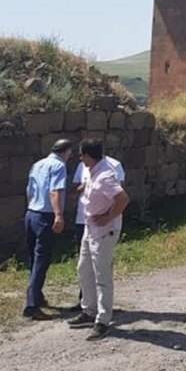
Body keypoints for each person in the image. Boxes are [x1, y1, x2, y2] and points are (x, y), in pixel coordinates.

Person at [68, 138, 129, 340]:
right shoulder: (93, 172)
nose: (79, 157)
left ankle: (103, 320)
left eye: (81, 154)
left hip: (104, 231)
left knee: (102, 276)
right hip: (90, 228)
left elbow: (122, 199)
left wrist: (107, 217)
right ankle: (89, 310)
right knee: (83, 268)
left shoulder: (105, 175)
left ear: (88, 155)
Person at [23, 137, 74, 320]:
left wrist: (31, 208)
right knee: (42, 259)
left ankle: (37, 295)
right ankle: (31, 305)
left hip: (31, 213)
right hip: (45, 215)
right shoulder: (59, 166)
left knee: (33, 258)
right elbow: (55, 191)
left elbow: (29, 190)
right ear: (66, 152)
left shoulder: (38, 164)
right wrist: (58, 215)